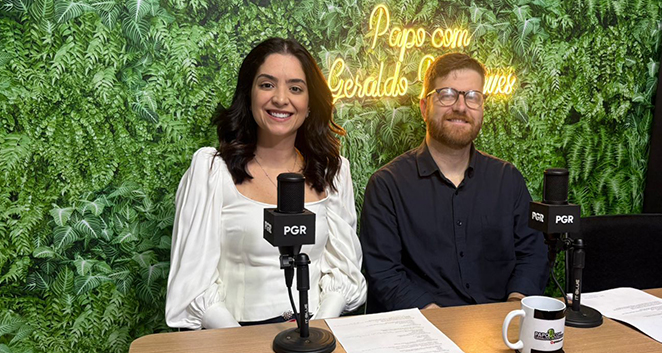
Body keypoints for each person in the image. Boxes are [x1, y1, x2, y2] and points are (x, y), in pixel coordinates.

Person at [166, 38, 366, 329]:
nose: (281, 99)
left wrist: (318, 333)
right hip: (234, 338)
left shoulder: (332, 172)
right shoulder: (211, 170)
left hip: (315, 333)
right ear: (249, 94)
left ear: (310, 103)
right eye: (267, 85)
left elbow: (343, 273)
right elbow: (193, 285)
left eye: (295, 88)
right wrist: (243, 347)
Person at [361, 53, 548, 312]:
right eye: (447, 94)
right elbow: (384, 275)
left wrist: (513, 310)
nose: (461, 106)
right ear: (424, 107)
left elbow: (532, 255)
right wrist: (442, 325)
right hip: (423, 332)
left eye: (473, 96)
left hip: (501, 330)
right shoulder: (387, 186)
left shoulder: (508, 180)